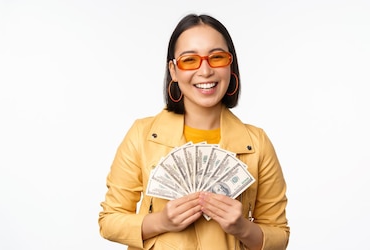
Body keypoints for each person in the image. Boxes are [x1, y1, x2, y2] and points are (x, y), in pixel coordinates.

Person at [98, 13, 290, 250]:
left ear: (230, 66)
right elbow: (109, 221)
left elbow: (279, 236)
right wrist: (161, 221)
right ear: (174, 70)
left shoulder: (256, 143)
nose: (206, 70)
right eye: (190, 60)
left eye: (217, 57)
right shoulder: (142, 134)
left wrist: (241, 227)